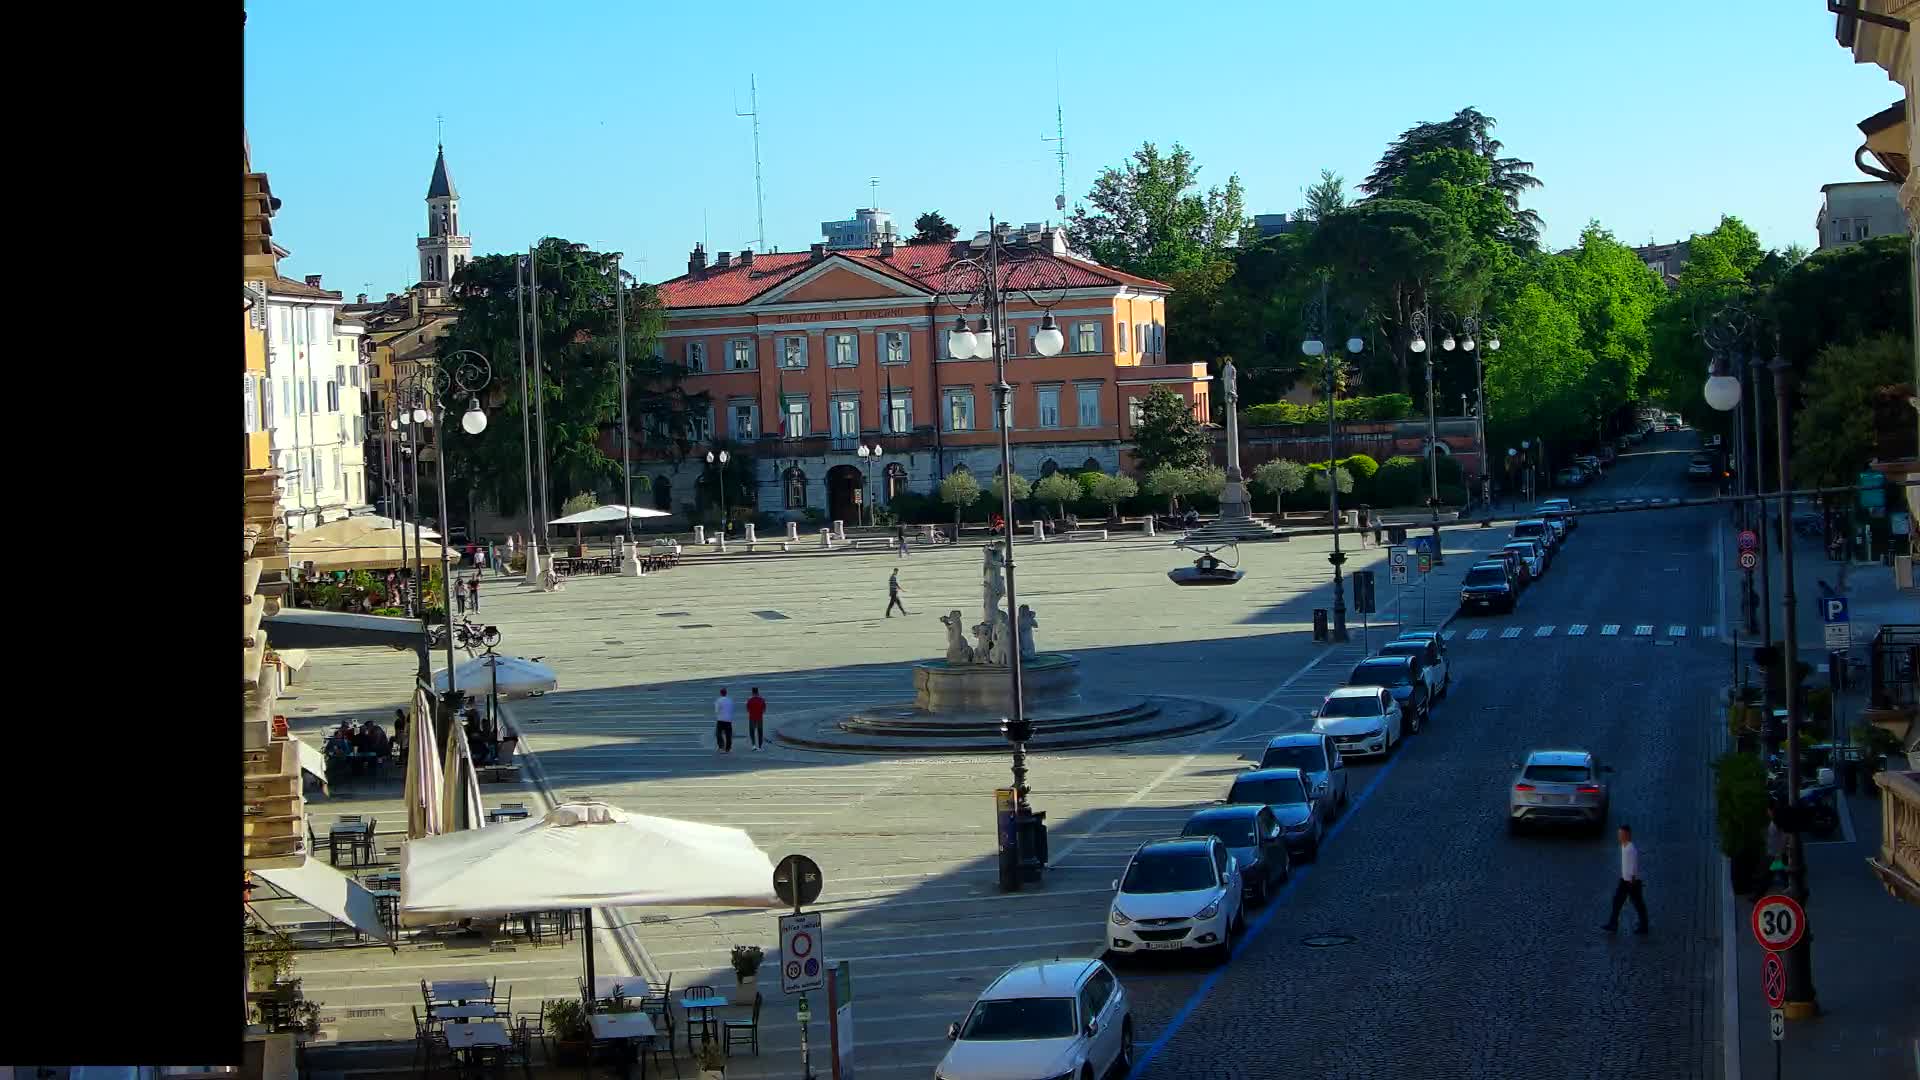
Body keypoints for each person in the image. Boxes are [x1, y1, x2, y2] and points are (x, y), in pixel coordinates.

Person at [1601, 824, 1649, 934]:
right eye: (1619, 834)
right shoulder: (1624, 846)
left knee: (1636, 903)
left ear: (1627, 835)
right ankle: (1614, 924)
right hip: (1625, 880)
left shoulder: (1630, 849)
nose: (1620, 836)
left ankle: (1643, 925)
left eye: (1622, 834)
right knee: (1619, 901)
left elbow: (1633, 866)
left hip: (1631, 882)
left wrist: (1631, 882)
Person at [713, 687, 735, 752]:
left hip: (720, 719)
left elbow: (716, 711)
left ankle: (721, 746)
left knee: (718, 733)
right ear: (726, 693)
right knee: (728, 734)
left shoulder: (718, 700)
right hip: (728, 719)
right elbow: (732, 709)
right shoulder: (730, 700)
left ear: (720, 693)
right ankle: (728, 748)